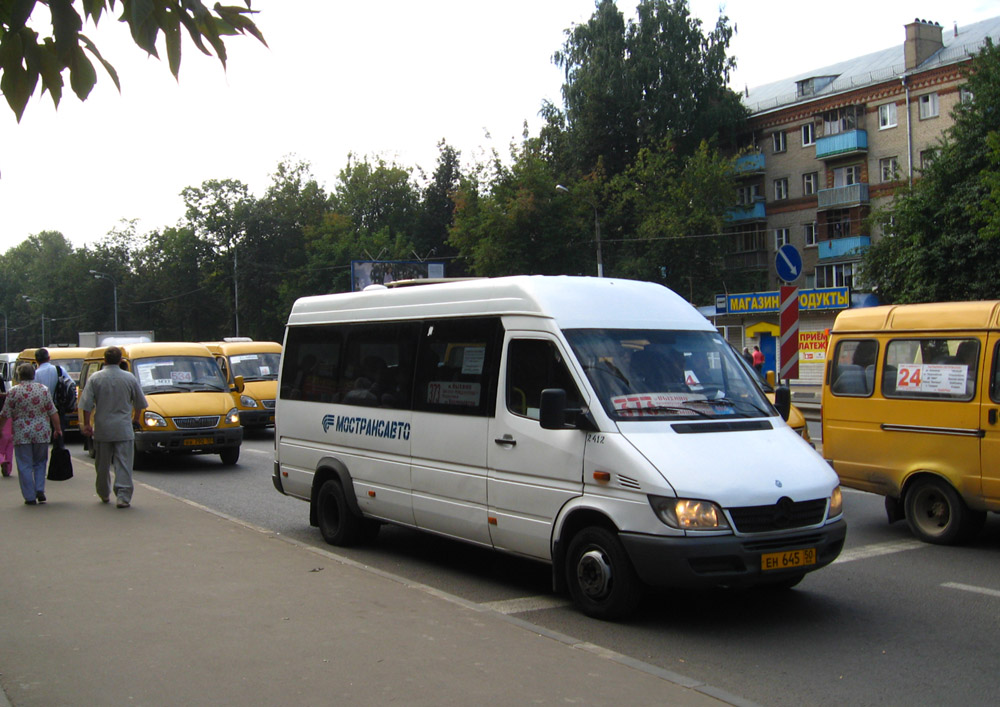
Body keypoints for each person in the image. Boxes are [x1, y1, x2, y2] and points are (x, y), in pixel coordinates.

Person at [79, 346, 148, 508]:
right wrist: (135, 419)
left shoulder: (95, 378)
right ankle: (123, 496)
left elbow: (86, 404)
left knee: (102, 464)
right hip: (123, 428)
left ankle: (103, 492)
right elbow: (140, 403)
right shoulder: (129, 378)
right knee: (123, 463)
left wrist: (87, 424)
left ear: (104, 360)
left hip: (103, 428)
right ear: (121, 360)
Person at [0, 363, 62, 504]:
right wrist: (58, 429)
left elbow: (4, 414)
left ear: (19, 375)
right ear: (33, 374)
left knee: (24, 465)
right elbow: (53, 411)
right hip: (41, 432)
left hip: (21, 434)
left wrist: (0, 429)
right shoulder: (43, 390)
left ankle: (29, 496)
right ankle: (40, 488)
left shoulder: (13, 392)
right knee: (40, 462)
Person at [33, 348, 74, 435]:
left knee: (44, 434)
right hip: (58, 406)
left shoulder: (36, 374)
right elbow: (71, 384)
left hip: (42, 409)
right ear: (49, 358)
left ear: (36, 360)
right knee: (59, 434)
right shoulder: (59, 369)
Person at [0, 377, 11, 477]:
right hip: (5, 415)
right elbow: (4, 392)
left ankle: (2, 460)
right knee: (8, 445)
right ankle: (8, 465)